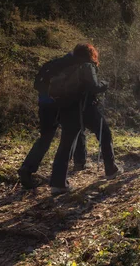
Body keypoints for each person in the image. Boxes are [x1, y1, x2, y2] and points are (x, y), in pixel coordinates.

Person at [49, 43, 121, 194]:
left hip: (67, 109)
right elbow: (94, 87)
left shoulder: (65, 67)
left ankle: (58, 183)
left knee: (66, 144)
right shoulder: (87, 66)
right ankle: (111, 169)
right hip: (85, 108)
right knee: (105, 133)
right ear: (90, 54)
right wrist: (105, 84)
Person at [18, 53, 89, 189]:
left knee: (45, 138)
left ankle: (27, 168)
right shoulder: (77, 66)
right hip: (63, 104)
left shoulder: (51, 64)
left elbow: (37, 84)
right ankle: (80, 162)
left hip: (44, 104)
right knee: (76, 129)